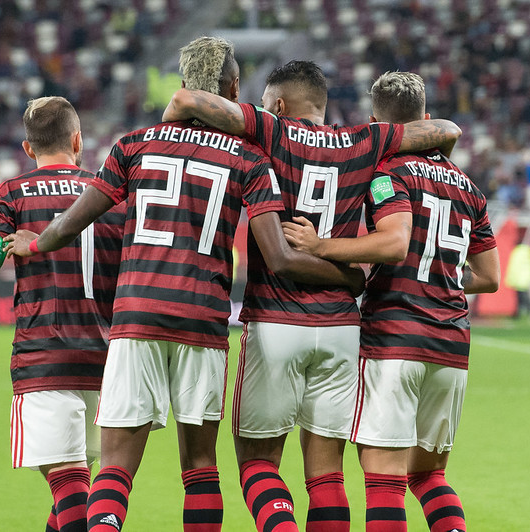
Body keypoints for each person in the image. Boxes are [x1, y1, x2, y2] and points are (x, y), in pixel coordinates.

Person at [4, 37, 364, 532]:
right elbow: (280, 254)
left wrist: (35, 244)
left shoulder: (134, 144)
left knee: (114, 470)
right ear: (234, 89)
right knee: (200, 469)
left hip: (137, 317)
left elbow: (71, 222)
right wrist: (348, 275)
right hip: (202, 319)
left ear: (181, 86)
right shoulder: (248, 158)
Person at [162, 61, 462, 531]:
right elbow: (444, 128)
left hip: (276, 321)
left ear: (279, 105)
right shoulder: (366, 139)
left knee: (258, 465)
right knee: (326, 476)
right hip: (342, 329)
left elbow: (185, 101)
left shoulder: (271, 130)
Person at [282, 71, 500, 532]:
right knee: (430, 476)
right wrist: (438, 273)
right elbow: (488, 277)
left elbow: (392, 243)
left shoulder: (388, 173)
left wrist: (319, 246)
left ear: (378, 123)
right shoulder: (469, 187)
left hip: (396, 340)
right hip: (452, 347)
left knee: (384, 479)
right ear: (425, 118)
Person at [0, 96, 125, 532]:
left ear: (28, 148)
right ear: (78, 140)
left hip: (46, 357)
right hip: (110, 360)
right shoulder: (112, 192)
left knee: (68, 482)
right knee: (78, 481)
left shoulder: (11, 194)